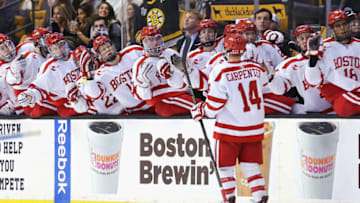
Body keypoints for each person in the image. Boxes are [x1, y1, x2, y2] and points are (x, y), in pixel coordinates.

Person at [190, 33, 269, 203]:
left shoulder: (220, 71)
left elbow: (214, 107)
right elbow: (264, 83)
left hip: (229, 129)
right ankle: (260, 197)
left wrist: (201, 110)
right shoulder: (256, 68)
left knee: (224, 167)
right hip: (254, 128)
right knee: (250, 166)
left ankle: (229, 198)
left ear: (226, 48)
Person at [75, 36, 153, 115]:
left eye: (108, 46)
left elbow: (152, 59)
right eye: (103, 50)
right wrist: (88, 77)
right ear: (99, 55)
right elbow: (94, 95)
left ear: (114, 46)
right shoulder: (101, 74)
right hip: (135, 111)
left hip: (154, 98)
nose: (107, 50)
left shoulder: (133, 51)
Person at [304, 9, 360, 116]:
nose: (342, 28)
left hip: (356, 93)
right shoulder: (324, 47)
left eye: (344, 24)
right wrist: (313, 59)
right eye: (338, 26)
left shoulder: (358, 45)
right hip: (339, 97)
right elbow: (313, 81)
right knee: (344, 106)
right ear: (332, 29)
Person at [268, 25, 332, 114]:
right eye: (302, 39)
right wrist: (270, 78)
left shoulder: (329, 56)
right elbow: (279, 89)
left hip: (336, 110)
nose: (305, 41)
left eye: (308, 37)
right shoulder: (290, 64)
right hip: (312, 114)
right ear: (297, 42)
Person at [132, 26, 195, 116]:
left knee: (202, 107)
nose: (156, 42)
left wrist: (173, 75)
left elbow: (185, 80)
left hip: (181, 96)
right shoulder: (140, 64)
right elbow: (140, 96)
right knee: (201, 108)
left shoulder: (171, 53)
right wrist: (143, 83)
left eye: (157, 38)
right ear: (144, 42)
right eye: (151, 40)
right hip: (160, 102)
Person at [17, 32, 82, 117]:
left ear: (65, 44)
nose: (60, 50)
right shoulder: (49, 66)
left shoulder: (76, 56)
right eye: (55, 49)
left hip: (83, 95)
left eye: (61, 46)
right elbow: (40, 87)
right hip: (64, 102)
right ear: (50, 51)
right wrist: (30, 94)